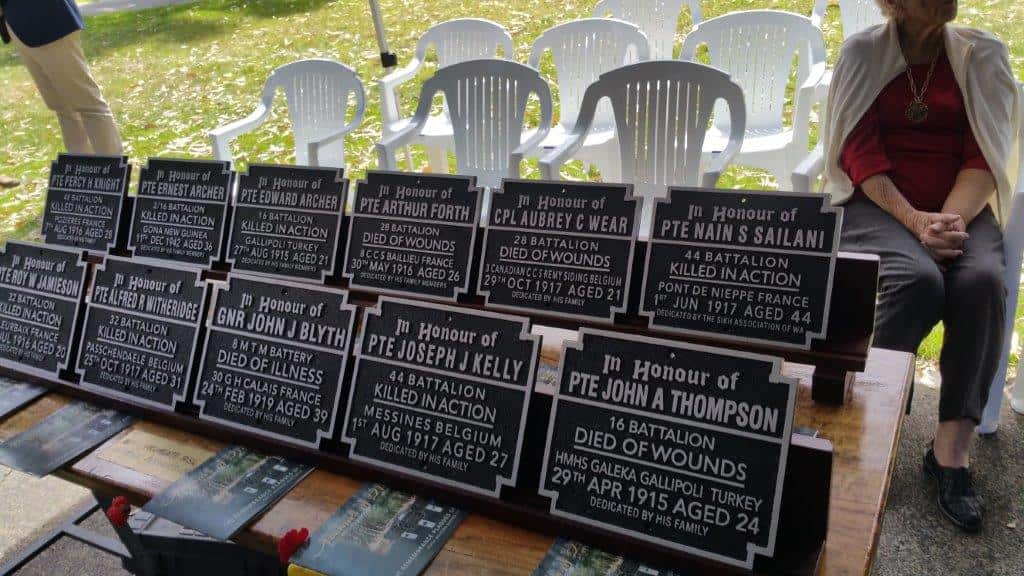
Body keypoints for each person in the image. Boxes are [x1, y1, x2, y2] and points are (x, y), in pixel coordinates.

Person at [821, 0, 1020, 531]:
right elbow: (857, 154)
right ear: (891, 3)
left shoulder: (983, 55)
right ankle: (869, 422)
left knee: (981, 281)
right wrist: (913, 220)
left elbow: (987, 154)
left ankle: (950, 454)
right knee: (914, 280)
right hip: (877, 203)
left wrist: (944, 222)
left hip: (963, 206)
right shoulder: (863, 54)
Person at [0, 0, 123, 155]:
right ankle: (79, 169)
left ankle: (110, 170)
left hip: (49, 20)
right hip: (17, 25)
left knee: (88, 104)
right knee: (61, 106)